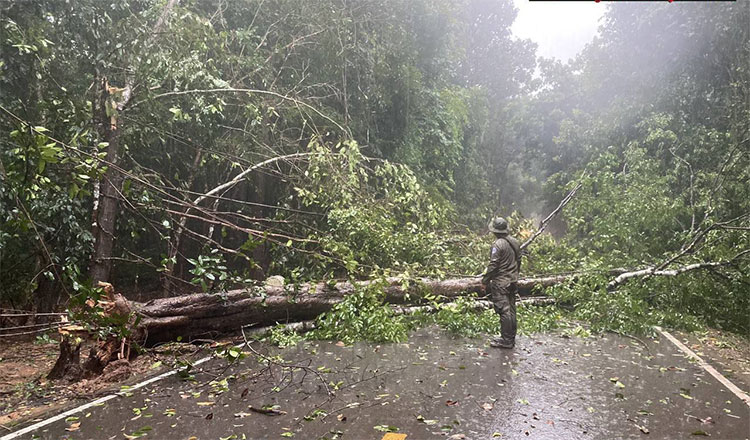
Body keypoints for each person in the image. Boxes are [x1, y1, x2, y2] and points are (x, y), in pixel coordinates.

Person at [482, 216, 521, 349]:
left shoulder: (498, 244)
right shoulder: (515, 242)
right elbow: (519, 261)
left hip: (501, 282)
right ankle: (511, 337)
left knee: (504, 310)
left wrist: (485, 280)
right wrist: (515, 275)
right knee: (511, 309)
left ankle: (506, 340)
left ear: (495, 231)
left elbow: (493, 265)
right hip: (512, 280)